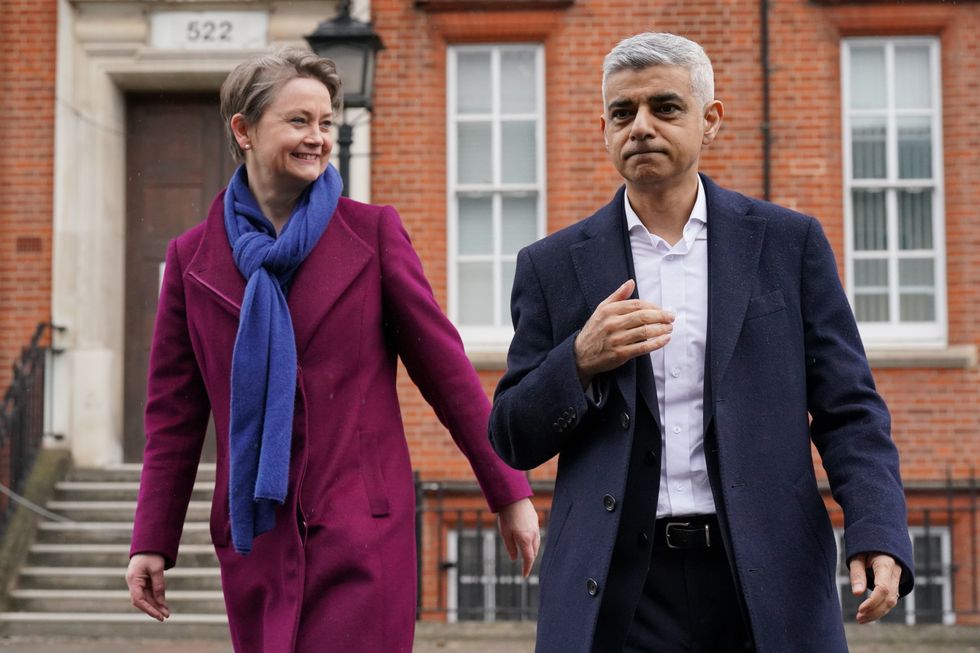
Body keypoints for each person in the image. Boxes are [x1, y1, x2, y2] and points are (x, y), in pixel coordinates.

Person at [489, 32, 914, 653]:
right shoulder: (552, 265)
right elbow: (511, 435)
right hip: (614, 585)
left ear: (710, 120)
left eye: (664, 107)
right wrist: (578, 361)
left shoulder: (786, 243)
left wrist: (877, 529)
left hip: (763, 577)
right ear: (603, 127)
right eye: (621, 112)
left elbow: (850, 407)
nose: (639, 127)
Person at [125, 47, 539, 653]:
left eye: (325, 122)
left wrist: (510, 491)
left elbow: (448, 373)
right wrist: (151, 538)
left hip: (363, 532)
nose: (317, 138)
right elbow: (174, 420)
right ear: (243, 129)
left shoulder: (372, 234)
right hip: (257, 540)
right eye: (298, 121)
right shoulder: (193, 260)